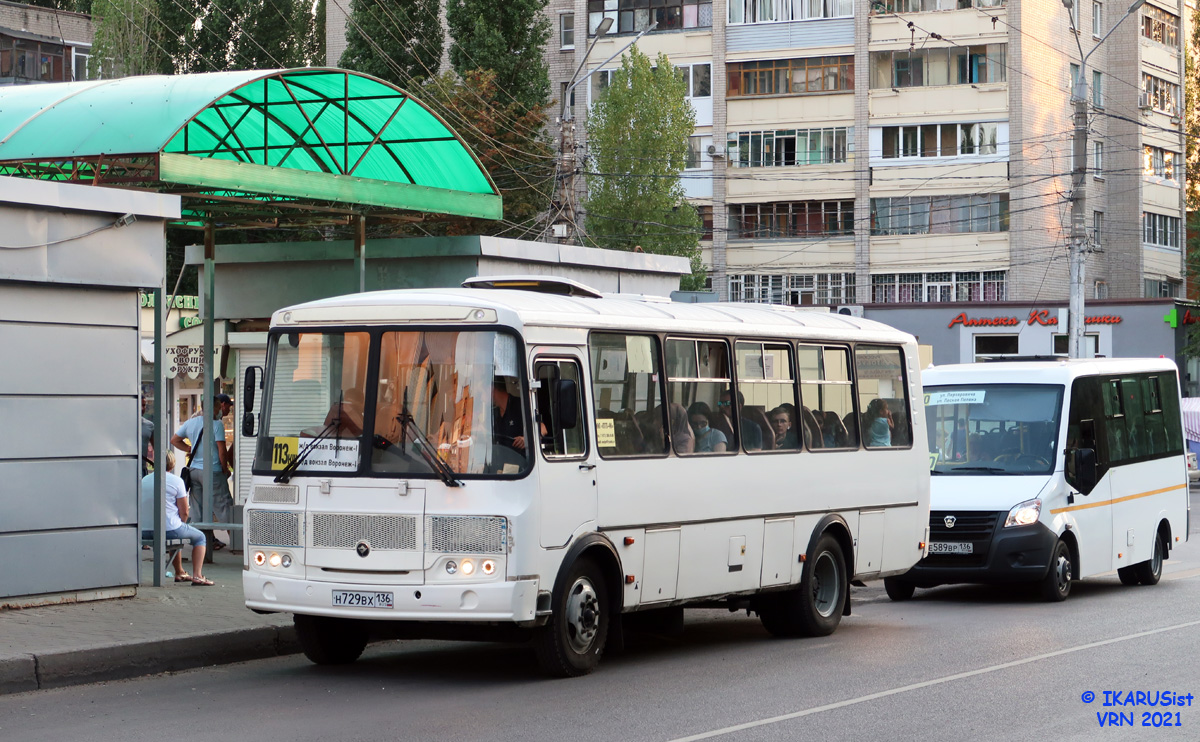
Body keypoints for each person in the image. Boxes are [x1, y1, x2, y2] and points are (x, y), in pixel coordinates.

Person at [140, 451, 213, 586]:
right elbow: (184, 511)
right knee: (199, 537)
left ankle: (179, 572)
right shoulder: (177, 481)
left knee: (175, 529)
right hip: (168, 529)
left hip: (144, 531)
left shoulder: (144, 480)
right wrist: (181, 523)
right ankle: (197, 576)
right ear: (172, 464)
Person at [171, 393, 234, 551]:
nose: (221, 410)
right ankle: (237, 540)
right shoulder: (216, 424)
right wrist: (225, 469)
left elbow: (174, 440)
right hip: (212, 471)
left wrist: (189, 449)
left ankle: (199, 545)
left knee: (197, 508)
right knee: (223, 505)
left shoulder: (191, 422)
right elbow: (221, 450)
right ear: (216, 408)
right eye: (219, 407)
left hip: (194, 471)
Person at [492, 378, 528, 453]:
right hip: (500, 461)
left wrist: (527, 439)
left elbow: (542, 428)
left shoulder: (520, 405)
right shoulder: (493, 414)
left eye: (482, 392)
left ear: (491, 389)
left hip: (522, 461)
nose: (482, 398)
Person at [140, 397, 154, 476]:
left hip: (142, 470)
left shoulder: (149, 425)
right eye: (140, 405)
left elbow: (157, 449)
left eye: (144, 405)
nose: (142, 408)